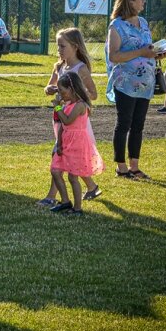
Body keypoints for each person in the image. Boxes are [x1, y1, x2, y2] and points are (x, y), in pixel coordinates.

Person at [105, 0, 164, 180]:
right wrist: (142, 52)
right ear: (130, 1)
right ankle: (121, 167)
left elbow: (148, 48)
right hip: (125, 82)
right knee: (124, 123)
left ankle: (134, 167)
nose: (143, 1)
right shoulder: (116, 26)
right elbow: (114, 56)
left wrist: (159, 53)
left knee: (139, 124)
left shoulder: (144, 22)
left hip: (145, 83)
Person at [38, 27, 101, 207]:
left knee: (61, 153)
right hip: (59, 116)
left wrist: (75, 96)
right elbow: (49, 86)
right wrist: (49, 89)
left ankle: (53, 196)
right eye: (57, 46)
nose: (59, 50)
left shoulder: (81, 69)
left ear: (74, 46)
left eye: (62, 46)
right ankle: (91, 186)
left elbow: (93, 94)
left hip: (74, 119)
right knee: (69, 154)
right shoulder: (59, 66)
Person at [49, 72, 104, 216]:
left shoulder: (80, 105)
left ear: (72, 89)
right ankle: (65, 201)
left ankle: (77, 208)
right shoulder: (68, 104)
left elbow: (67, 120)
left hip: (77, 143)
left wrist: (57, 107)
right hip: (66, 142)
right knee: (55, 170)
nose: (60, 94)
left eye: (62, 90)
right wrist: (59, 143)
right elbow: (62, 126)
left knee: (73, 177)